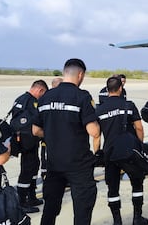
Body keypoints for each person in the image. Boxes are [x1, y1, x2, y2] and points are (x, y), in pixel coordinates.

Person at [32, 58, 101, 225]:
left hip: (54, 163)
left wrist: (53, 135)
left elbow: (35, 130)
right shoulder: (82, 97)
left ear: (64, 73)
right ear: (80, 74)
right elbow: (94, 131)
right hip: (78, 165)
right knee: (82, 210)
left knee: (50, 209)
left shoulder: (46, 97)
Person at [95, 76, 148, 225]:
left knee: (112, 189)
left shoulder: (99, 109)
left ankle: (117, 221)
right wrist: (140, 145)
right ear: (120, 89)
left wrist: (98, 152)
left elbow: (96, 135)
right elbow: (139, 127)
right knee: (137, 184)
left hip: (110, 152)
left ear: (107, 90)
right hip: (129, 152)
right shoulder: (129, 105)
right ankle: (137, 217)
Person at [11, 80, 48, 213]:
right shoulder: (32, 102)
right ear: (40, 91)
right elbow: (34, 126)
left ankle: (31, 196)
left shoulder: (20, 99)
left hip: (23, 140)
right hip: (28, 141)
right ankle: (22, 202)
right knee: (27, 170)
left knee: (33, 167)